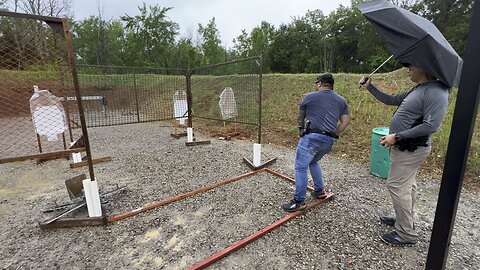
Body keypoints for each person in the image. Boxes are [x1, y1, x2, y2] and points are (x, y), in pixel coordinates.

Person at [359, 64, 450, 246]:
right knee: (408, 186)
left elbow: (431, 126)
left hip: (412, 148)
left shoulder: (436, 91)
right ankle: (403, 220)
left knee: (396, 185)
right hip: (404, 147)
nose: (408, 70)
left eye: (411, 67)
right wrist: (370, 87)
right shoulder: (419, 88)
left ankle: (407, 233)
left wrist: (397, 136)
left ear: (424, 68)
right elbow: (391, 99)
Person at [282, 73, 350, 212]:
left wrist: (301, 130)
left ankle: (299, 201)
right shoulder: (341, 100)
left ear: (319, 83)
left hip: (312, 136)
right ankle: (319, 191)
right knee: (313, 162)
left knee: (300, 167)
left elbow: (300, 116)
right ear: (332, 85)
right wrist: (334, 133)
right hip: (328, 140)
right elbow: (345, 122)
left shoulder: (309, 96)